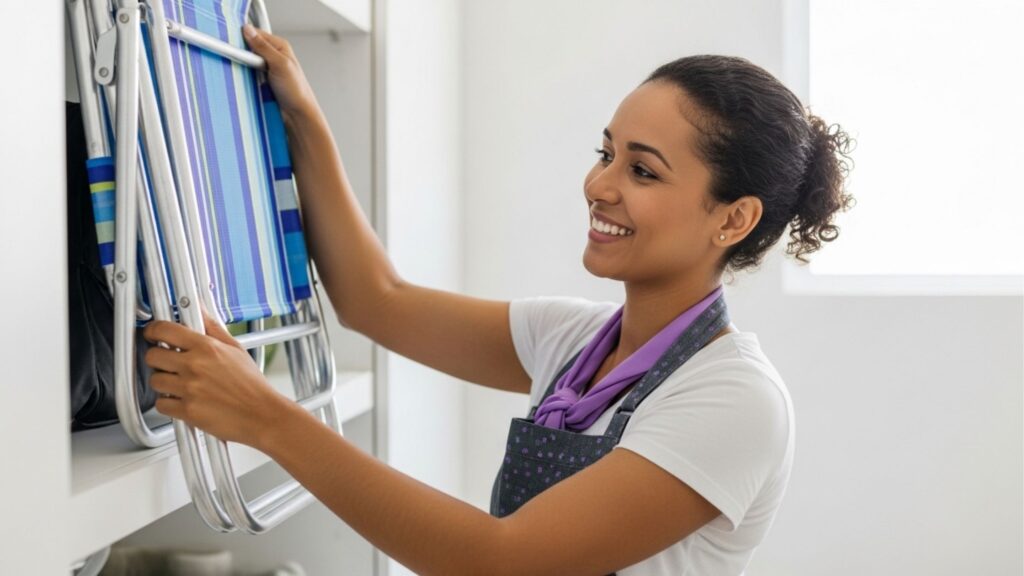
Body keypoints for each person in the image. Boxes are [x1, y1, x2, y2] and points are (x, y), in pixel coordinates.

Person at [142, 23, 854, 575]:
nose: (600, 185)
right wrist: (303, 120)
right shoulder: (572, 341)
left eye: (642, 170)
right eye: (605, 152)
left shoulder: (734, 400)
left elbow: (501, 561)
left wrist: (268, 419)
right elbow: (376, 301)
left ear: (733, 219)